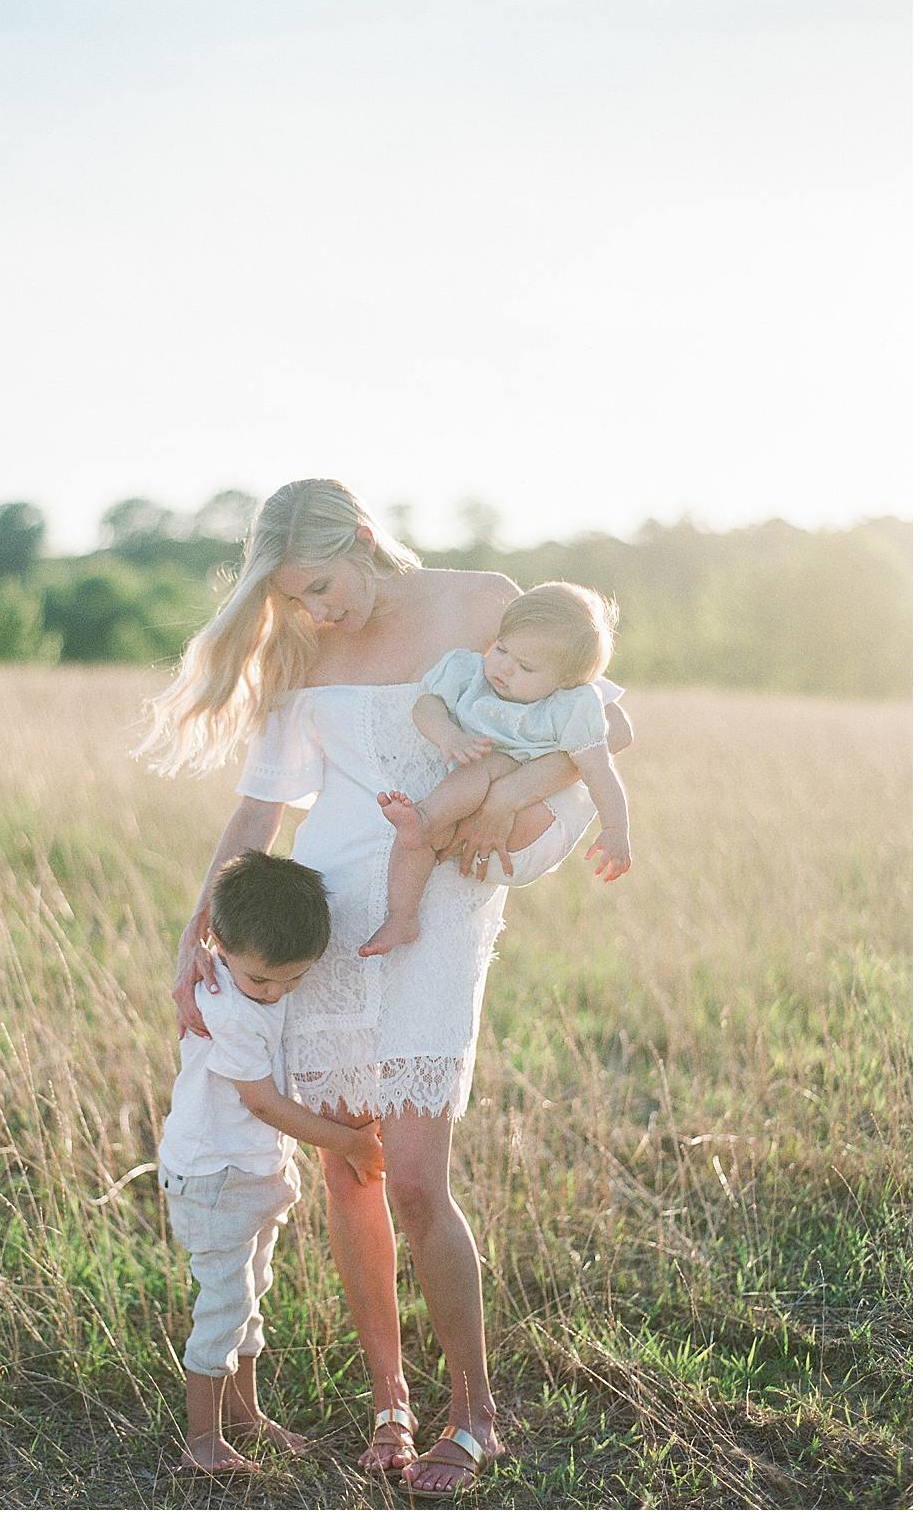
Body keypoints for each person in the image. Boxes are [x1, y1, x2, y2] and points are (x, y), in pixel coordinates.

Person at [138, 479, 632, 1497]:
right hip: (324, 916)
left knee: (412, 1176)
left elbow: (595, 723)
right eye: (292, 597)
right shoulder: (297, 649)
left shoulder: (482, 600)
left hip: (436, 908)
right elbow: (258, 810)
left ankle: (473, 1410)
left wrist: (514, 796)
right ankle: (388, 1398)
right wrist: (200, 921)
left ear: (363, 539)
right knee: (347, 1168)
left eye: (320, 584)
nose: (316, 610)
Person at [160, 851, 383, 1476]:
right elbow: (261, 1102)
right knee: (224, 1305)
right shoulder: (227, 1005)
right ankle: (202, 1441)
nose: (277, 993)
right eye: (264, 982)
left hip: (253, 1173)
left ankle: (244, 1415)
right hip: (214, 1177)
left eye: (293, 979)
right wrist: (350, 1143)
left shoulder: (261, 981)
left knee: (252, 1294)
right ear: (217, 941)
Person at [362, 582, 635, 955]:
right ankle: (401, 918)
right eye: (503, 648)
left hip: (516, 779)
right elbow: (426, 706)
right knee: (418, 841)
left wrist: (616, 829)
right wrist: (448, 736)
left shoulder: (570, 707)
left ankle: (423, 818)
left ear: (564, 683)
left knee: (484, 769)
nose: (505, 667)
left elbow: (599, 771)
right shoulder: (469, 672)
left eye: (525, 667)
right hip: (461, 792)